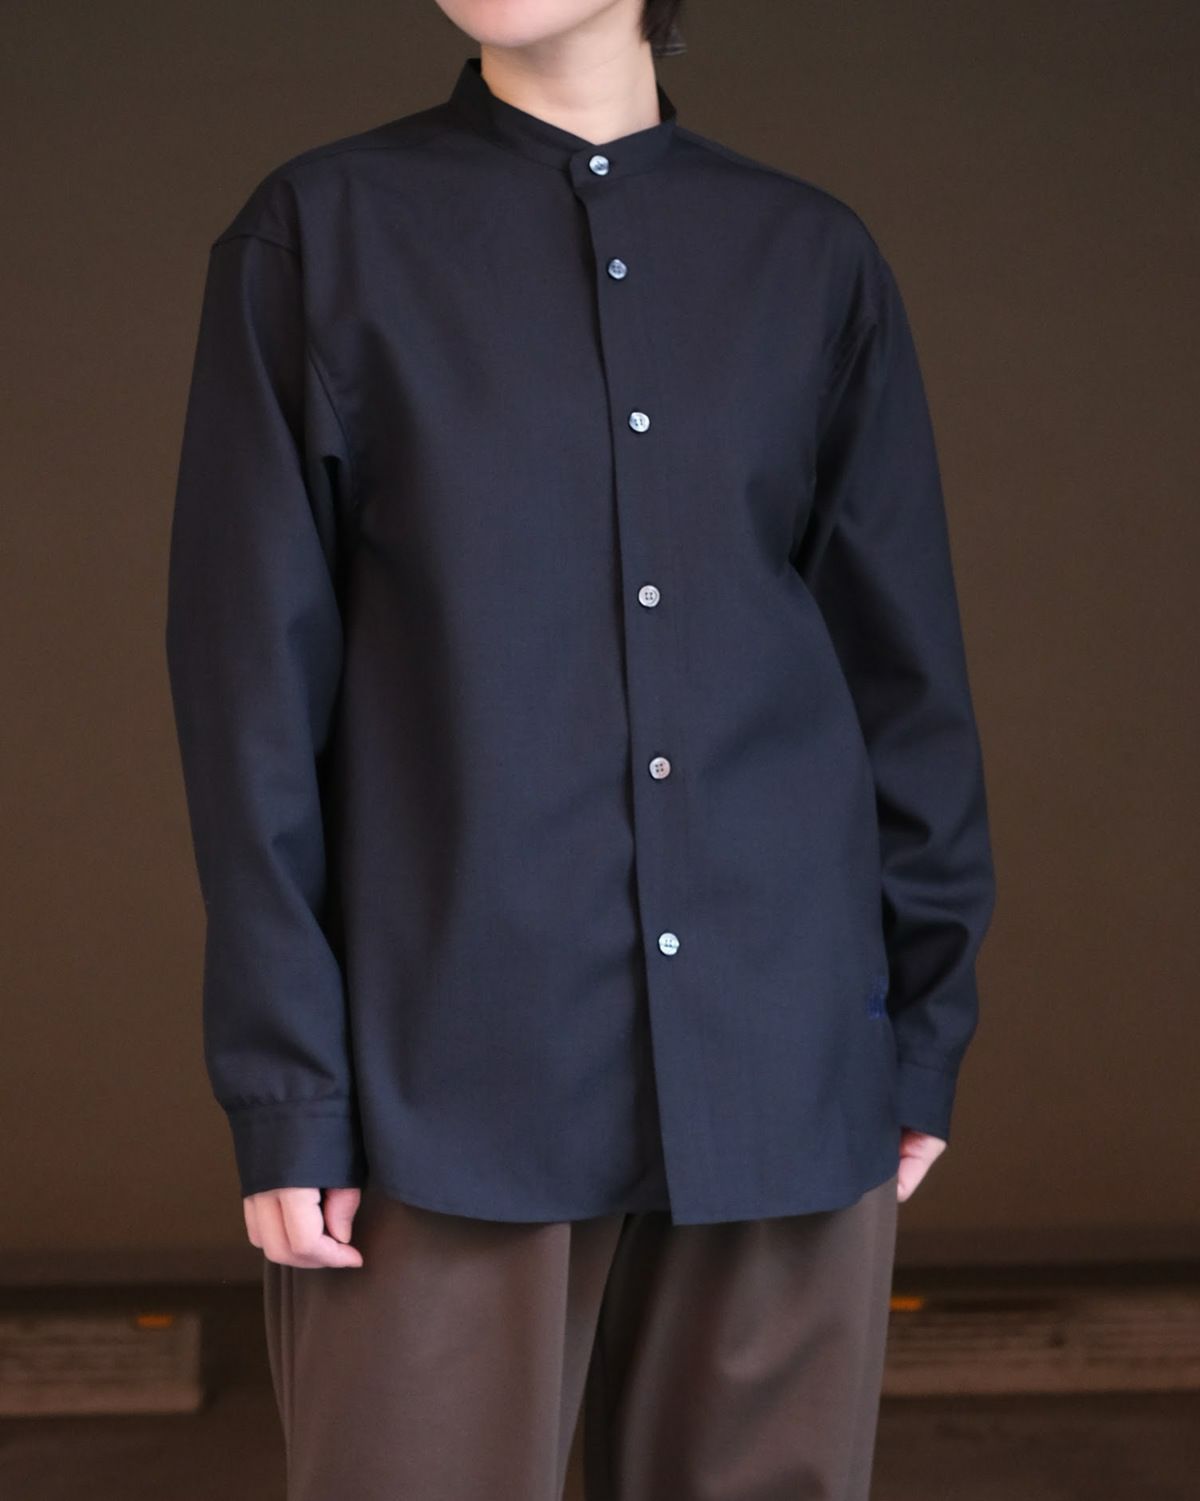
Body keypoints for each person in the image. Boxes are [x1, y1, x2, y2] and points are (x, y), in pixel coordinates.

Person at [164, 1, 997, 1496]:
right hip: (445, 1073)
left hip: (782, 1052)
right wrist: (290, 1090)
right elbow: (249, 701)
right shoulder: (320, 235)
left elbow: (902, 675)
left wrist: (921, 1026)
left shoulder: (811, 258)